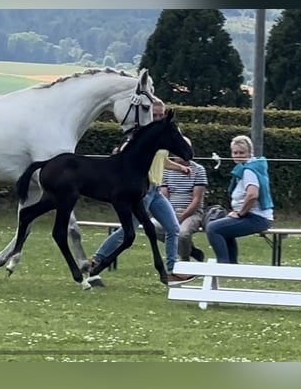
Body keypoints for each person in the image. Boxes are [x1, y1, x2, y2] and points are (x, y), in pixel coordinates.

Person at [89, 100, 191, 282]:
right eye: (155, 115)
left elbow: (162, 160)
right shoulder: (141, 138)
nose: (158, 118)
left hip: (156, 191)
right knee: (127, 231)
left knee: (173, 228)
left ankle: (171, 270)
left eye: (161, 115)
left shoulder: (160, 138)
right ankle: (97, 259)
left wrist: (179, 168)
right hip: (142, 191)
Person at [205, 134, 274, 264]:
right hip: (253, 216)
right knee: (223, 228)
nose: (238, 155)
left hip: (257, 217)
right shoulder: (246, 168)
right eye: (235, 152)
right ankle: (232, 265)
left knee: (213, 228)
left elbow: (252, 195)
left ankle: (223, 265)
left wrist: (240, 213)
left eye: (242, 152)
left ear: (250, 153)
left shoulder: (249, 170)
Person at [155, 136, 208, 263]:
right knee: (151, 227)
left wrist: (182, 216)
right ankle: (190, 250)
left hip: (192, 213)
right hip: (171, 211)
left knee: (183, 234)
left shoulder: (199, 170)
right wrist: (169, 215)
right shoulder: (167, 170)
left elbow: (196, 199)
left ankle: (184, 260)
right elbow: (164, 195)